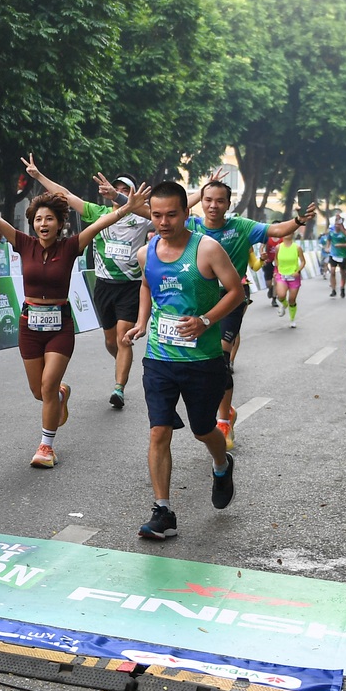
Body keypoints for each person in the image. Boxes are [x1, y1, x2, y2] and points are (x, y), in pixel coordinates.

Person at [0, 175, 146, 469]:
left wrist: (126, 207)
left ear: (60, 223)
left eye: (49, 219)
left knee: (48, 385)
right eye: (39, 219)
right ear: (33, 223)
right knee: (39, 391)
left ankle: (46, 446)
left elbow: (100, 224)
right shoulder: (24, 243)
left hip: (60, 327)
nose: (43, 224)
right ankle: (62, 394)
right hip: (29, 326)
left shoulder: (71, 246)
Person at [126, 181, 246, 542]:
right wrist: (142, 322)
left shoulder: (206, 249)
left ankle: (221, 465)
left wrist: (206, 320)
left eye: (171, 215)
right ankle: (162, 511)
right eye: (156, 215)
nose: (163, 222)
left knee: (202, 429)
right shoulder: (146, 252)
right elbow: (146, 285)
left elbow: (236, 291)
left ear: (185, 213)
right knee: (158, 430)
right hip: (159, 357)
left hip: (202, 360)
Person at [188, 178, 315, 446]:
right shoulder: (191, 225)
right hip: (198, 300)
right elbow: (156, 213)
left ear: (228, 204)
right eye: (208, 200)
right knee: (202, 364)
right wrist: (121, 201)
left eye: (219, 201)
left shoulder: (241, 226)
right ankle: (224, 410)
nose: (213, 205)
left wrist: (299, 220)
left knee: (221, 359)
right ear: (201, 201)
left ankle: (224, 420)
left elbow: (276, 229)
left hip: (231, 297)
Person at [24, 163, 151, 412]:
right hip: (104, 285)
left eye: (125, 190)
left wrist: (202, 193)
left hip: (130, 286)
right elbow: (65, 195)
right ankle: (121, 360)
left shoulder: (142, 219)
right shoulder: (97, 212)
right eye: (116, 189)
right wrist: (38, 175)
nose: (118, 192)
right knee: (111, 341)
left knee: (123, 337)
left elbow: (170, 210)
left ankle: (119, 387)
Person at [273, 231, 307, 325]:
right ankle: (284, 304)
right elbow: (276, 259)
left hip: (293, 276)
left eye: (289, 232)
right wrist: (276, 271)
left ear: (293, 234)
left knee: (292, 300)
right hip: (281, 275)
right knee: (281, 295)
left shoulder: (297, 248)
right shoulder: (278, 247)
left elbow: (303, 261)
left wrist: (297, 271)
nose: (287, 234)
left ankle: (292, 319)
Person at [327, 215, 346, 299]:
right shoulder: (331, 233)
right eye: (336, 224)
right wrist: (327, 247)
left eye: (338, 224)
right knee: (332, 271)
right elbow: (328, 240)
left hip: (342, 255)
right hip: (333, 254)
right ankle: (333, 290)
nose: (336, 225)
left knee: (343, 273)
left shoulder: (345, 234)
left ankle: (342, 288)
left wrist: (341, 245)